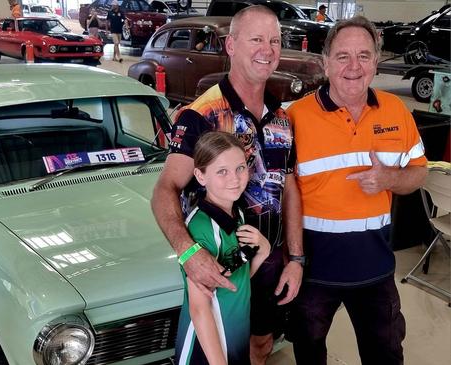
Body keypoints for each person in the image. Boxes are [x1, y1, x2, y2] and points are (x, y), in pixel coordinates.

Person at [151, 5, 304, 365]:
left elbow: (291, 187)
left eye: (275, 40)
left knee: (261, 345)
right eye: (256, 39)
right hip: (221, 258)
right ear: (231, 45)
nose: (267, 49)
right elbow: (165, 189)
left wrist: (295, 258)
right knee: (216, 345)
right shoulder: (201, 113)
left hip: (266, 258)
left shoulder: (281, 117)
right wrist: (189, 253)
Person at [286, 16, 428, 365]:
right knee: (308, 353)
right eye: (343, 56)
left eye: (364, 56)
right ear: (325, 62)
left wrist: (389, 180)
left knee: (386, 355)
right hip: (313, 272)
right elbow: (282, 192)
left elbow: (419, 172)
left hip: (376, 269)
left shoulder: (398, 111)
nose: (354, 66)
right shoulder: (294, 117)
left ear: (376, 63)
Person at [175, 131, 271, 365]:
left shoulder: (235, 213)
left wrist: (264, 250)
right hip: (207, 348)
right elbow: (200, 308)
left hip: (233, 335)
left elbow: (237, 280)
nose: (235, 179)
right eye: (222, 171)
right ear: (200, 175)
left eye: (240, 168)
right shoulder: (202, 228)